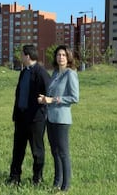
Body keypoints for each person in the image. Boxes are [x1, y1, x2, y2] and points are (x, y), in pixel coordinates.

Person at [38, 45, 79, 192]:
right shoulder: (55, 73)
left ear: (68, 57)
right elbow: (50, 94)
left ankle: (65, 186)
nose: (60, 57)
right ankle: (57, 182)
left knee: (63, 152)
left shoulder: (71, 74)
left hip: (62, 119)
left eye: (63, 55)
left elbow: (75, 98)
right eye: (58, 55)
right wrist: (45, 99)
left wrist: (53, 100)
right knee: (54, 151)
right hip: (50, 118)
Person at [8, 44, 51, 185]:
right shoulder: (23, 72)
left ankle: (37, 178)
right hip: (21, 118)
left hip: (35, 119)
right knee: (18, 150)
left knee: (37, 151)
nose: (20, 57)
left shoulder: (41, 72)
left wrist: (44, 102)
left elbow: (50, 91)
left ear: (27, 56)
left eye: (22, 54)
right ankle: (14, 178)